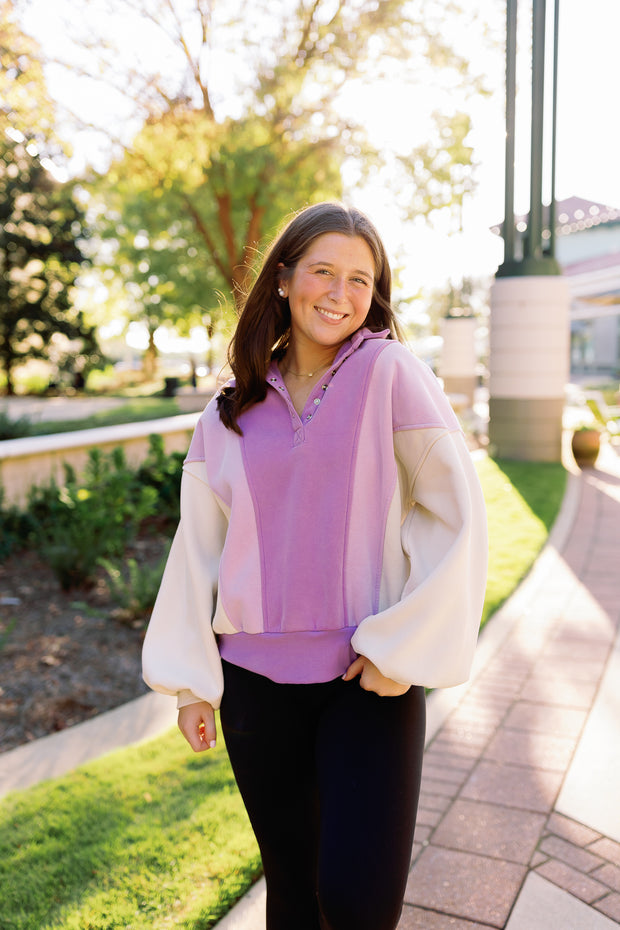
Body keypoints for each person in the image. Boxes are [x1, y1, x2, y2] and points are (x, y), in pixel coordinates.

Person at [142, 201, 488, 930]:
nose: (340, 294)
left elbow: (457, 516)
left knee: (359, 905)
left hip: (367, 685)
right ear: (282, 280)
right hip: (256, 691)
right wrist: (190, 685)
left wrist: (403, 652)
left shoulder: (392, 372)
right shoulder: (229, 410)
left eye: (360, 279)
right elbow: (197, 548)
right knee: (294, 896)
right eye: (324, 272)